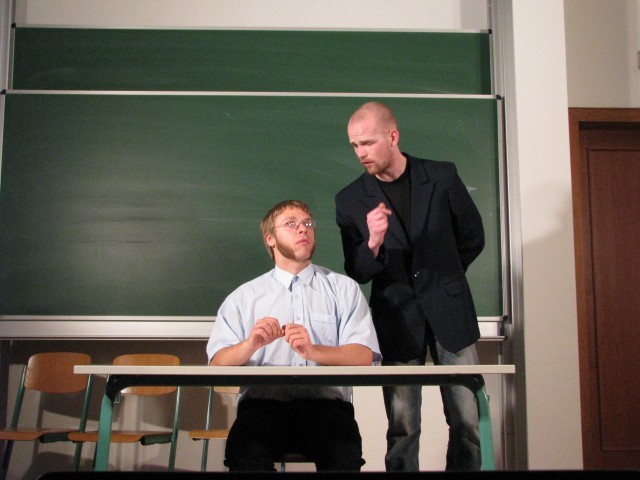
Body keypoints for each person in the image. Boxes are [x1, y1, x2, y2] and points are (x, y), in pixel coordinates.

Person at [335, 101, 485, 471]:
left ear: (393, 136)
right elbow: (357, 270)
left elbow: (472, 236)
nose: (360, 153)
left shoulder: (441, 176)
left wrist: (445, 277)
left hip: (450, 311)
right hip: (397, 319)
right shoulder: (350, 199)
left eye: (367, 143)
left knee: (467, 422)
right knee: (402, 427)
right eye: (354, 146)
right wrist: (373, 242)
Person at [206, 199, 381, 472]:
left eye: (307, 223)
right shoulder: (244, 297)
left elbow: (363, 355)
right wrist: (250, 345)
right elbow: (217, 365)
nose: (303, 229)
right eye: (291, 224)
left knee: (344, 457)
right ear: (270, 239)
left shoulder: (343, 289)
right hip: (262, 409)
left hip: (327, 410)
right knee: (245, 455)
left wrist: (314, 351)